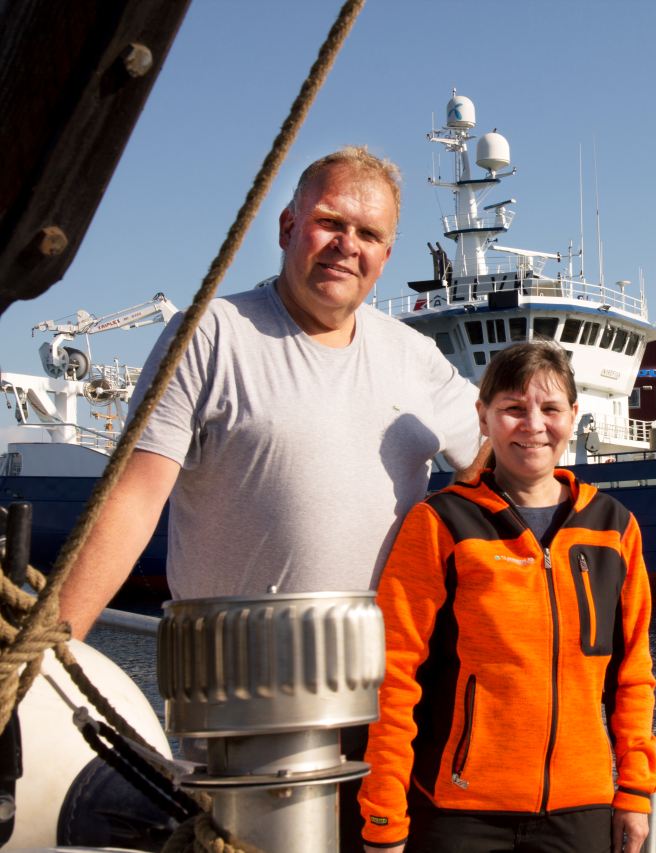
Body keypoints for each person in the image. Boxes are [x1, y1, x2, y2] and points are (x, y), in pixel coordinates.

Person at [57, 145, 481, 636]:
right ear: (287, 228)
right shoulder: (208, 334)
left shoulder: (416, 357)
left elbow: (493, 460)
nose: (348, 245)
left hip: (386, 691)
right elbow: (132, 500)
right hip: (232, 685)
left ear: (384, 257)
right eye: (330, 222)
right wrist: (50, 648)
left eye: (369, 234)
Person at [358, 342, 656, 853]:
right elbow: (393, 673)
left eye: (550, 409)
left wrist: (634, 788)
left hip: (580, 808)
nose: (534, 425)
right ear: (484, 417)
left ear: (573, 416)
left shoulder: (614, 528)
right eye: (513, 409)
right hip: (462, 814)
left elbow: (632, 673)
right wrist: (384, 811)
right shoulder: (441, 524)